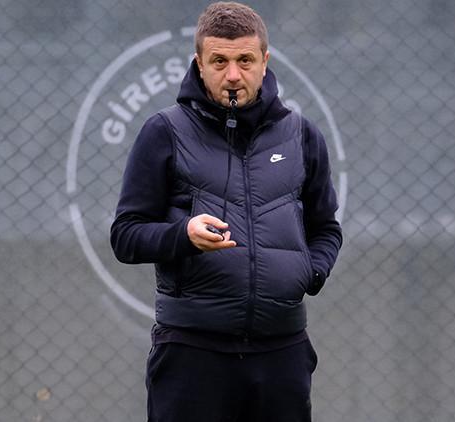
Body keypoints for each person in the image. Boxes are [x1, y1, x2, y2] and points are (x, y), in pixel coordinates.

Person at [109, 2, 342, 421]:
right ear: (199, 63)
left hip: (282, 352)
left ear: (264, 61)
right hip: (191, 352)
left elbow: (326, 228)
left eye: (245, 61)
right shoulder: (163, 132)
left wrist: (310, 272)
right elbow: (126, 235)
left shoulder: (303, 136)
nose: (233, 75)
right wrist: (183, 235)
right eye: (219, 61)